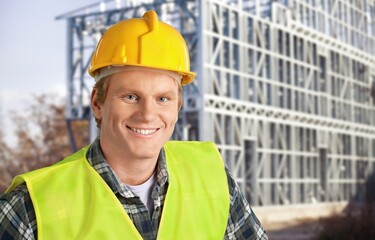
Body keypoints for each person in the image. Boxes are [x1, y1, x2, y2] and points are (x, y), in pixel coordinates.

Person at [0, 10, 268, 239]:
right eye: (131, 97)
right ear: (98, 102)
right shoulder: (30, 207)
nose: (148, 114)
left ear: (178, 107)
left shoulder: (213, 177)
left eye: (163, 98)